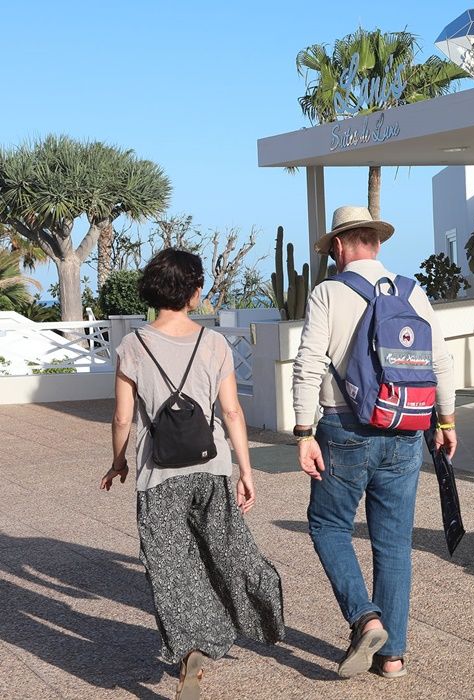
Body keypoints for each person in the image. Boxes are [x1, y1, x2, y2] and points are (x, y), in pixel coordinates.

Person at [101, 248, 284, 700]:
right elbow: (232, 410)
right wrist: (245, 469)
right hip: (213, 466)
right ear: (194, 291)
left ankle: (188, 649)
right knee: (224, 551)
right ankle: (258, 605)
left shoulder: (132, 345)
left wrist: (118, 461)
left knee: (168, 566)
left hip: (157, 475)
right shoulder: (215, 343)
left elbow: (123, 418)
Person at [292, 205, 456, 680]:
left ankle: (366, 618)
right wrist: (445, 422)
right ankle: (394, 657)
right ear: (377, 244)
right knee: (393, 543)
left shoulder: (329, 292)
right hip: (407, 429)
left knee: (327, 526)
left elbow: (308, 364)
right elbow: (439, 361)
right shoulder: (411, 290)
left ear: (340, 246)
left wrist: (304, 432)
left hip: (344, 428)